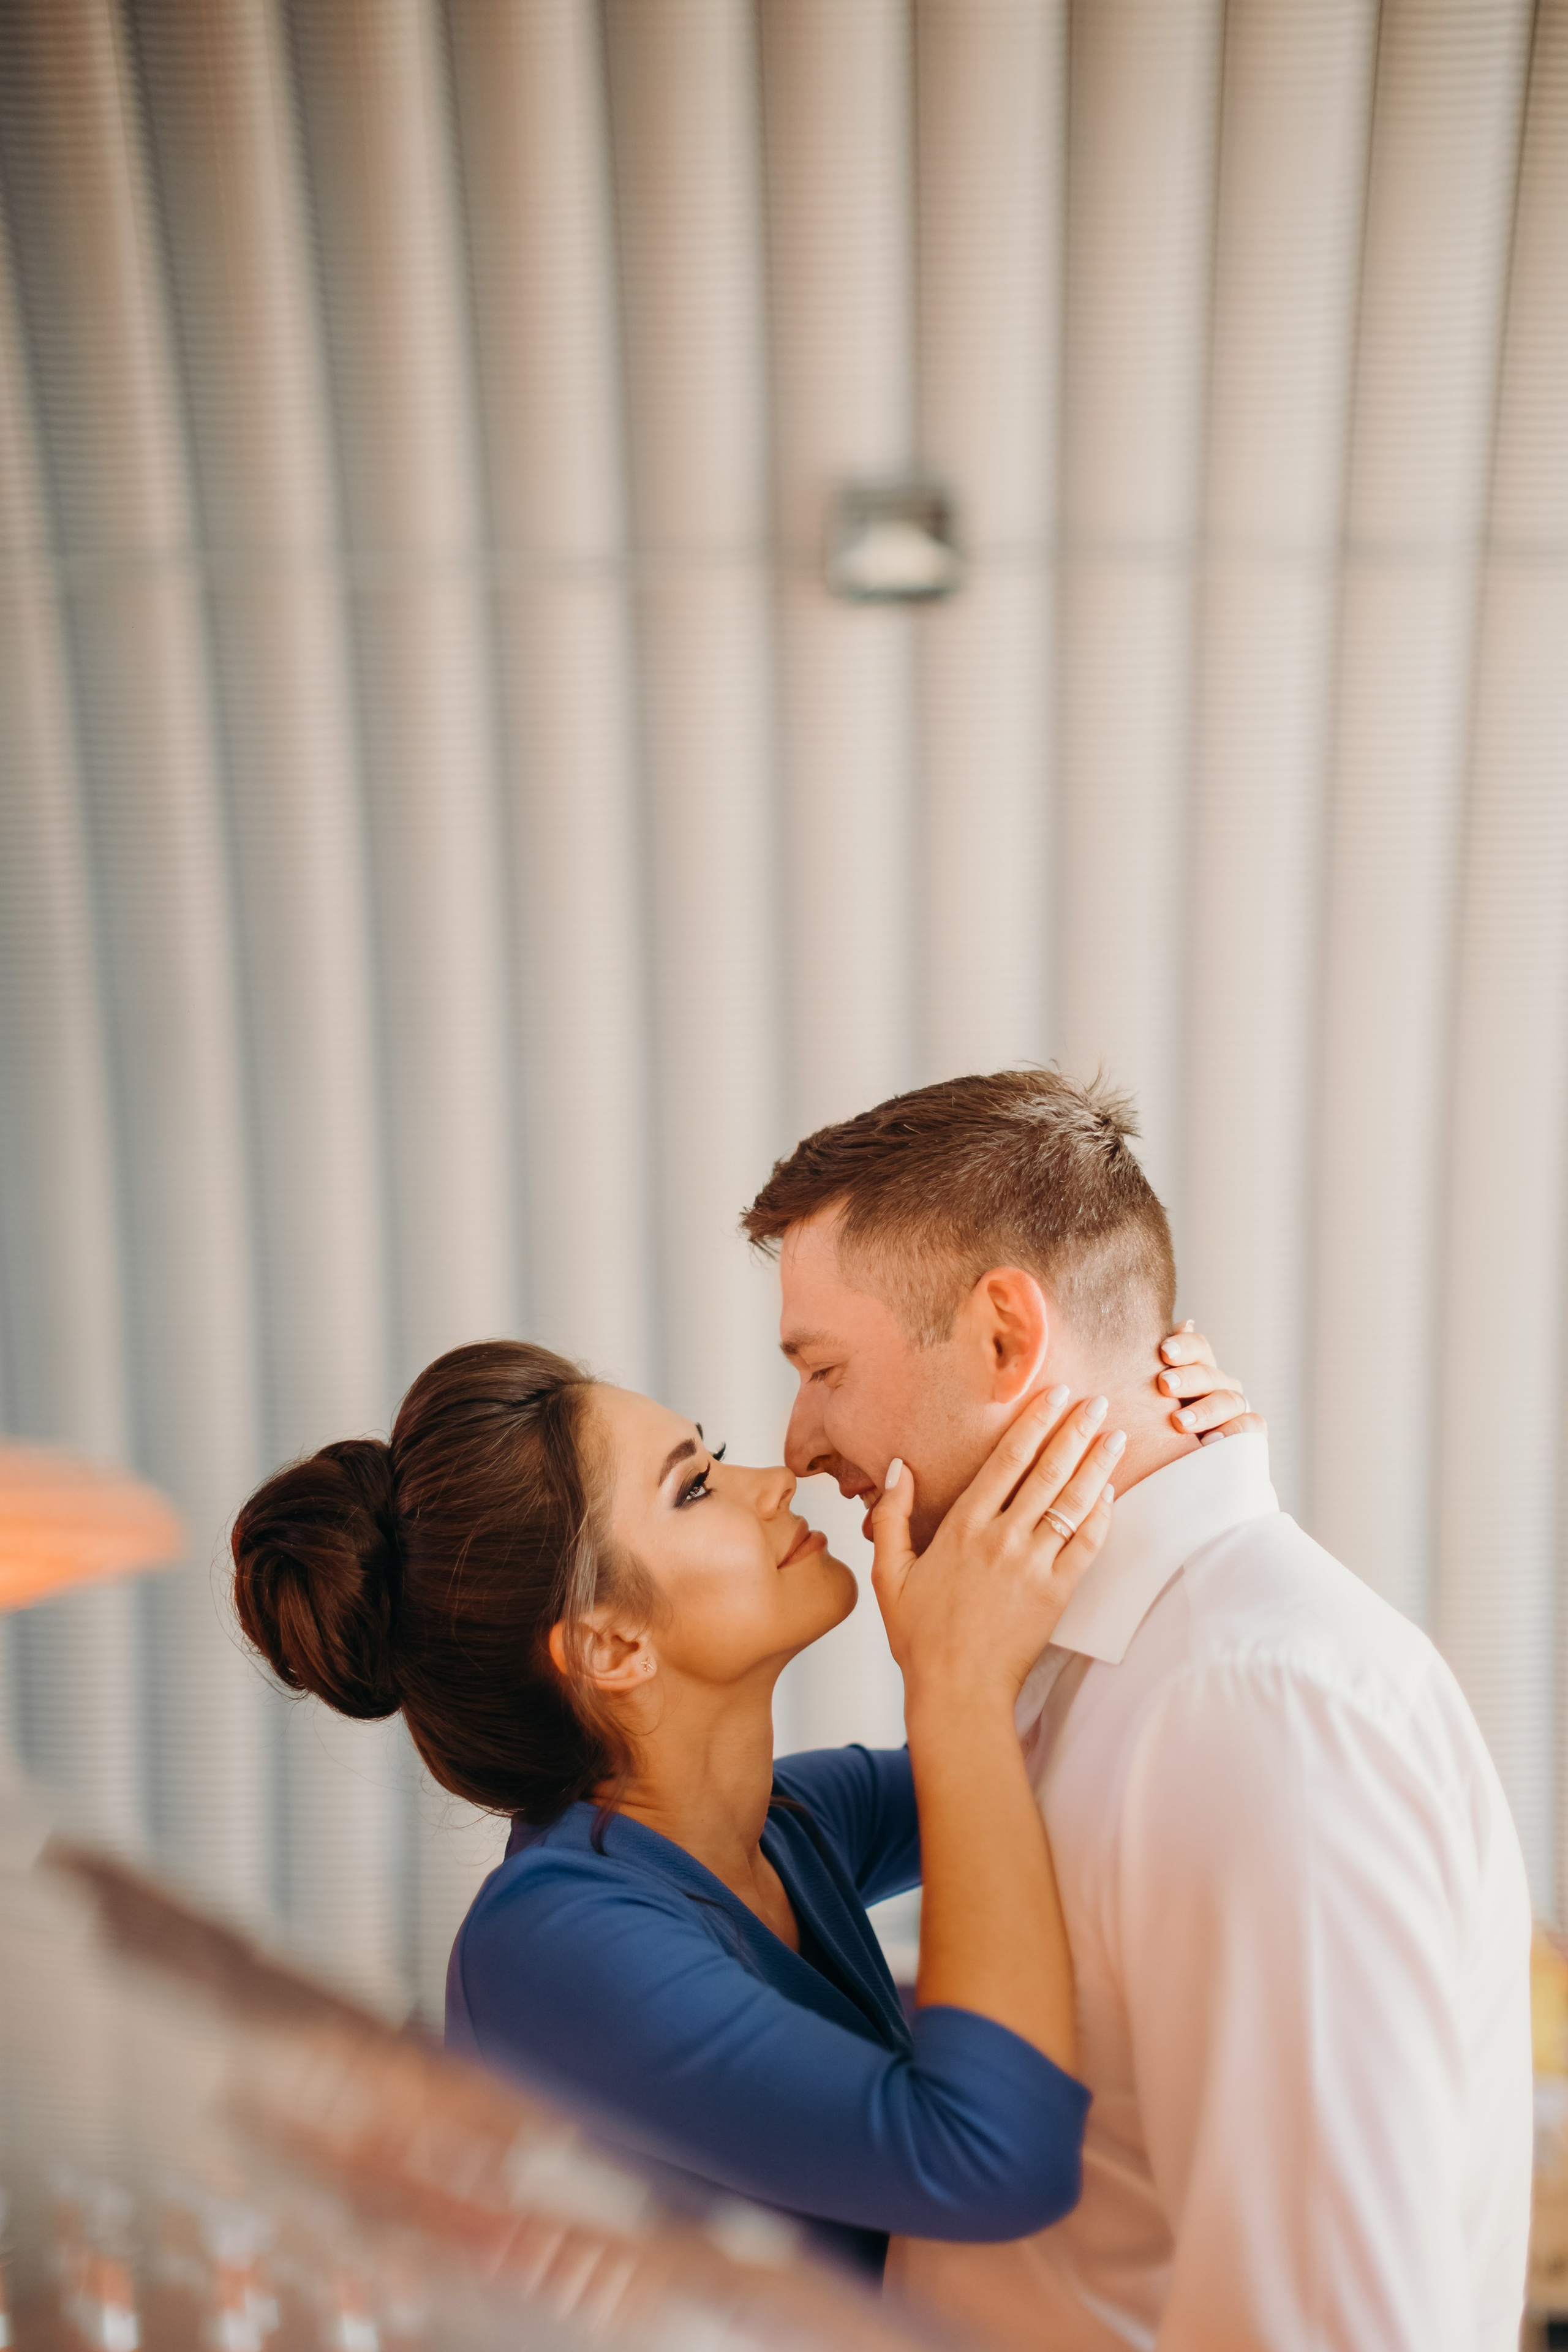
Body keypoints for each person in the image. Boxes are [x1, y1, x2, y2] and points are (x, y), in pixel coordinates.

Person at [743, 1065, 1533, 2352]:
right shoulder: (1073, 1673)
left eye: (822, 1368)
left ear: (1005, 1337)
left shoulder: (1254, 1712)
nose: (795, 1444)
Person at [229, 1324, 1248, 2278]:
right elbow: (991, 2159)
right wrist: (954, 1686)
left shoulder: (783, 1824)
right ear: (609, 1647)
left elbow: (1056, 1748)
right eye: (696, 1488)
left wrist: (1177, 1479)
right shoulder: (547, 1942)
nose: (774, 1483)